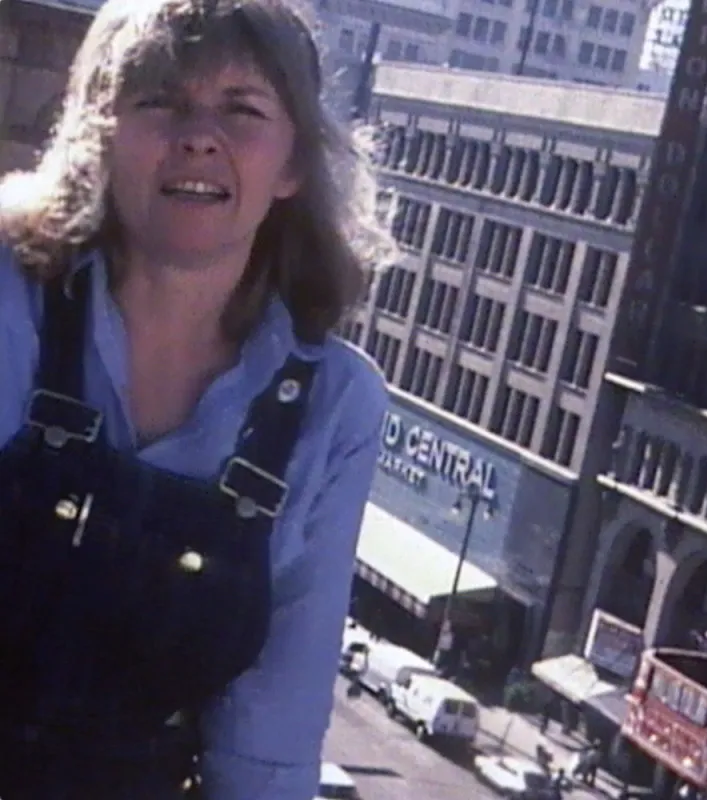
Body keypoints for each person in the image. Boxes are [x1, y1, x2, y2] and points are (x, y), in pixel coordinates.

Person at [0, 0, 399, 797]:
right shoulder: (12, 302)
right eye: (159, 100)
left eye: (241, 109)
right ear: (100, 136)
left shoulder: (334, 408)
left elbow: (270, 741)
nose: (198, 135)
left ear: (293, 166)